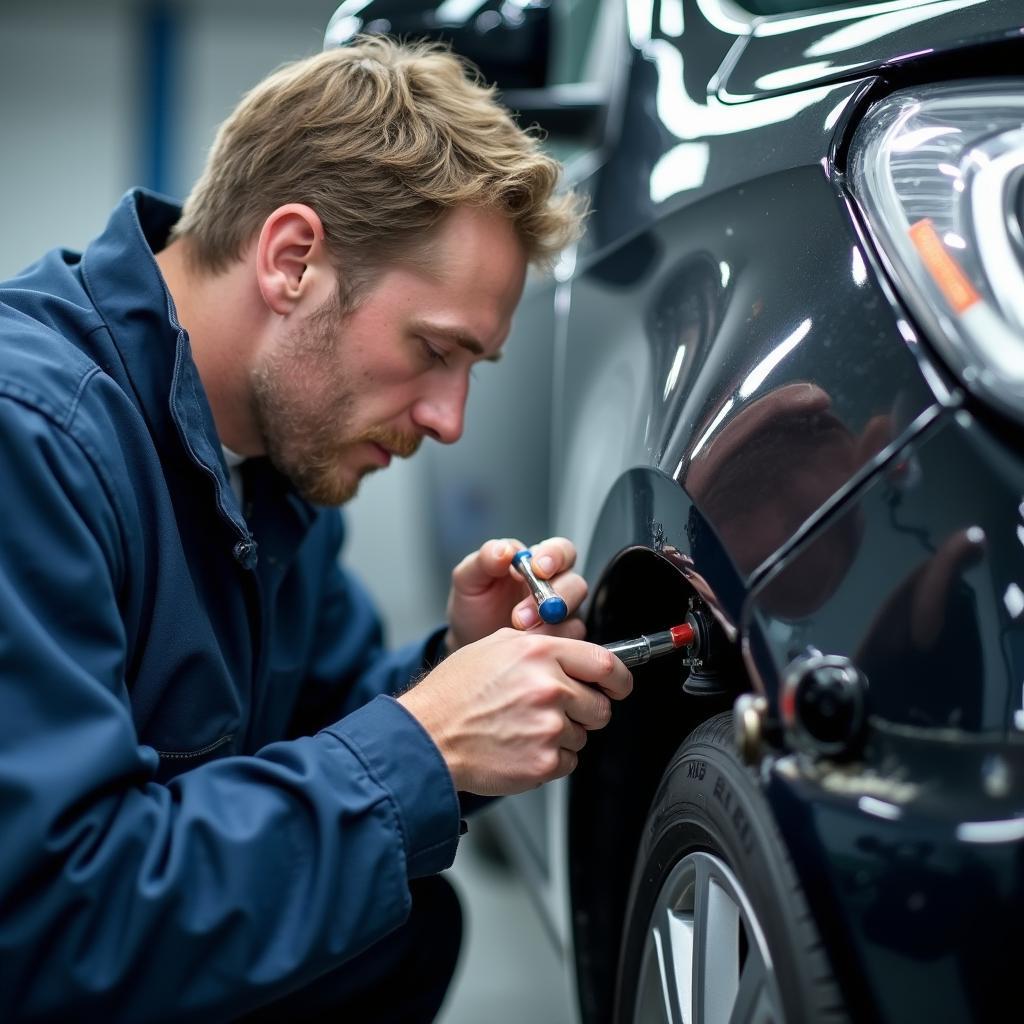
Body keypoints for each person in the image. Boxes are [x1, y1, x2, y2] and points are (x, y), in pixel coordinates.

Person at [0, 35, 633, 1023]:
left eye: (475, 369)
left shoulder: (273, 468)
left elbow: (320, 737)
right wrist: (428, 741)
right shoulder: (29, 442)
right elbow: (50, 923)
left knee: (401, 926)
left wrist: (456, 672)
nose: (448, 420)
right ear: (292, 259)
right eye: (433, 349)